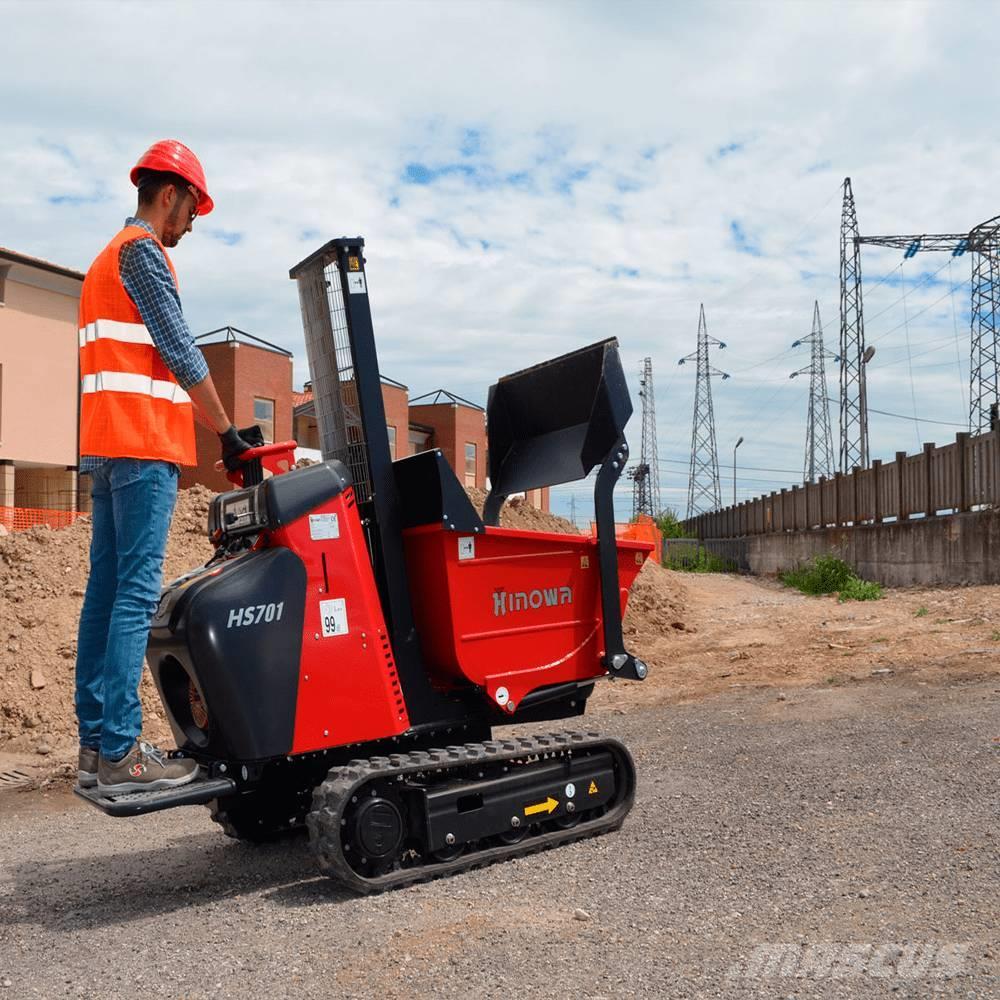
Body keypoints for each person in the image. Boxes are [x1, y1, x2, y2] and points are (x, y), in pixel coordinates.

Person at [75, 140, 252, 794]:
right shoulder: (142, 254)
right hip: (144, 448)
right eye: (191, 213)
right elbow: (181, 352)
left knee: (104, 593)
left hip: (106, 447)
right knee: (132, 596)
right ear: (170, 195)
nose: (187, 227)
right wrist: (230, 434)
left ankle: (95, 748)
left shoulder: (101, 263)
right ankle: (122, 749)